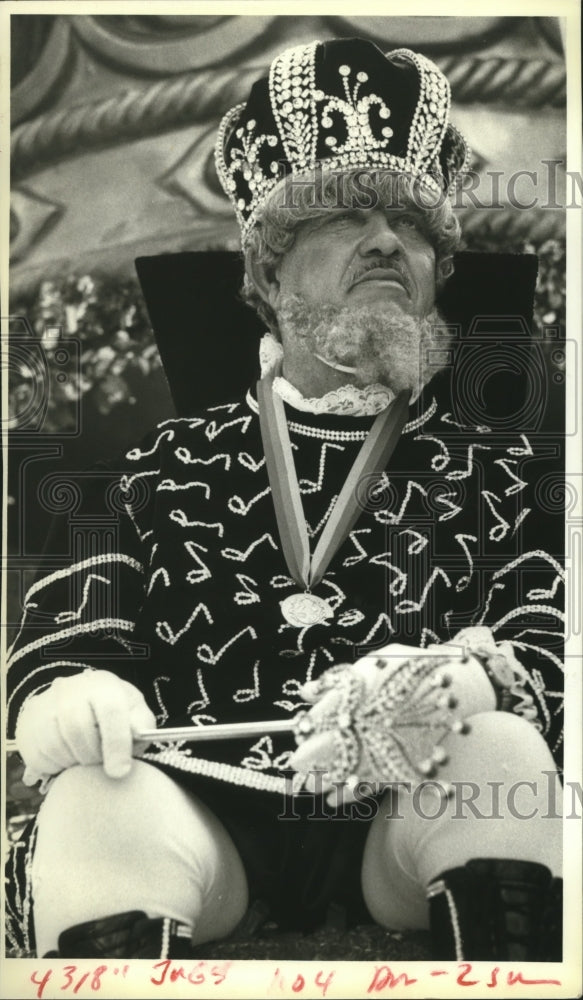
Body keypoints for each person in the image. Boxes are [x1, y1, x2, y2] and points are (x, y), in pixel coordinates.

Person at [6, 38, 564, 962]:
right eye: (346, 216)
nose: (388, 240)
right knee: (94, 798)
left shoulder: (504, 472)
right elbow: (74, 634)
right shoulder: (160, 464)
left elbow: (548, 636)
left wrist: (483, 681)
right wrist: (72, 692)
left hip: (407, 816)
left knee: (499, 755)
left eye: (412, 225)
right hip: (201, 824)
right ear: (267, 276)